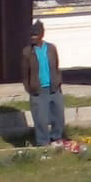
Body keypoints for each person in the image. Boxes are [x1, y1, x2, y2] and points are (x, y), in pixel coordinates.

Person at [21, 20, 67, 148]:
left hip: (54, 88)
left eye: (36, 35)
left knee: (59, 117)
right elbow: (24, 73)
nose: (33, 38)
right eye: (31, 36)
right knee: (40, 119)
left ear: (42, 35)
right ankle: (43, 143)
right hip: (38, 90)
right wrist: (29, 88)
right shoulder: (27, 52)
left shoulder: (51, 48)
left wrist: (58, 81)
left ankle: (56, 138)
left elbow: (56, 66)